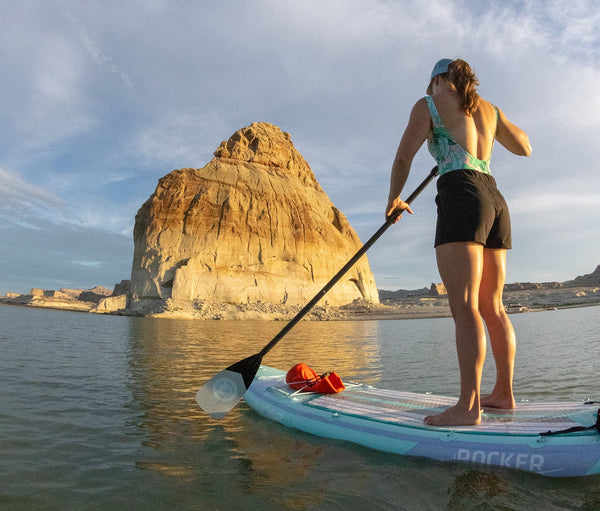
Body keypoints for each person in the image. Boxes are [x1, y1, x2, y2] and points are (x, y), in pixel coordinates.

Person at [386, 58, 532, 427]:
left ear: (437, 80)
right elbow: (524, 148)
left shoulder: (428, 105)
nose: (426, 91)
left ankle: (468, 407)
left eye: (429, 84)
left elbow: (404, 156)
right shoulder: (489, 109)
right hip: (495, 198)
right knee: (492, 306)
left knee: (464, 306)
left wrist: (394, 198)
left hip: (462, 193)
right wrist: (489, 122)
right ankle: (503, 394)